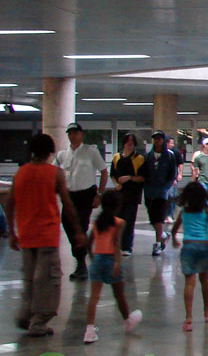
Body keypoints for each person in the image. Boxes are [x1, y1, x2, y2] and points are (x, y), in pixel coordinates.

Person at [3, 133, 86, 337]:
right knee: (48, 281)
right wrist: (77, 231)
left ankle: (26, 314)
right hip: (47, 235)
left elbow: (9, 203)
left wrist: (12, 233)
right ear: (50, 152)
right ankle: (39, 322)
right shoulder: (55, 173)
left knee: (30, 278)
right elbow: (67, 204)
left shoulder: (20, 173)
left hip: (26, 235)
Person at [82, 190, 144, 344]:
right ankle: (127, 320)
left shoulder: (97, 223)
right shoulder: (119, 222)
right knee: (119, 295)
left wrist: (92, 258)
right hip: (111, 260)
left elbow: (88, 244)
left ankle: (89, 330)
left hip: (97, 260)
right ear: (118, 206)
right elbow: (116, 243)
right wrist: (117, 262)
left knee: (94, 297)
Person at [55, 121, 108, 280]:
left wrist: (99, 194)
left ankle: (81, 263)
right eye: (70, 133)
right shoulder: (62, 154)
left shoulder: (90, 151)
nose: (73, 136)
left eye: (76, 133)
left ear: (81, 134)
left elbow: (104, 171)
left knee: (81, 226)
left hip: (86, 195)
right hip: (69, 196)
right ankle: (80, 258)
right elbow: (53, 172)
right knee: (69, 225)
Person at [171, 181, 208, 332]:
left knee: (189, 283)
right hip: (203, 246)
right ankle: (206, 310)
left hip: (188, 246)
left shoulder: (184, 212)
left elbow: (174, 228)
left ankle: (188, 318)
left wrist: (174, 238)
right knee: (204, 280)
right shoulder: (207, 210)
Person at [142, 131, 178, 257]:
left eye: (159, 139)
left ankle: (157, 243)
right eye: (155, 139)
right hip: (149, 191)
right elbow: (144, 173)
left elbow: (172, 174)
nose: (157, 141)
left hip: (162, 192)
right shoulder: (148, 156)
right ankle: (163, 235)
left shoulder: (169, 156)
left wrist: (165, 188)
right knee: (152, 217)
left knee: (158, 218)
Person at [110, 134, 145, 255]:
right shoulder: (116, 157)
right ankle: (116, 244)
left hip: (133, 194)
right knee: (117, 219)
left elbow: (142, 177)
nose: (129, 144)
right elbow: (112, 174)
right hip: (119, 194)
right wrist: (116, 184)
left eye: (132, 142)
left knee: (129, 221)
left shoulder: (139, 159)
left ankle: (127, 246)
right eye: (127, 141)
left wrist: (129, 178)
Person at [165, 136, 184, 221]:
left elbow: (180, 164)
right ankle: (164, 214)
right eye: (171, 143)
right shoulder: (161, 152)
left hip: (172, 177)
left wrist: (178, 175)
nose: (172, 145)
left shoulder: (174, 152)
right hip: (163, 178)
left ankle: (170, 214)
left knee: (171, 196)